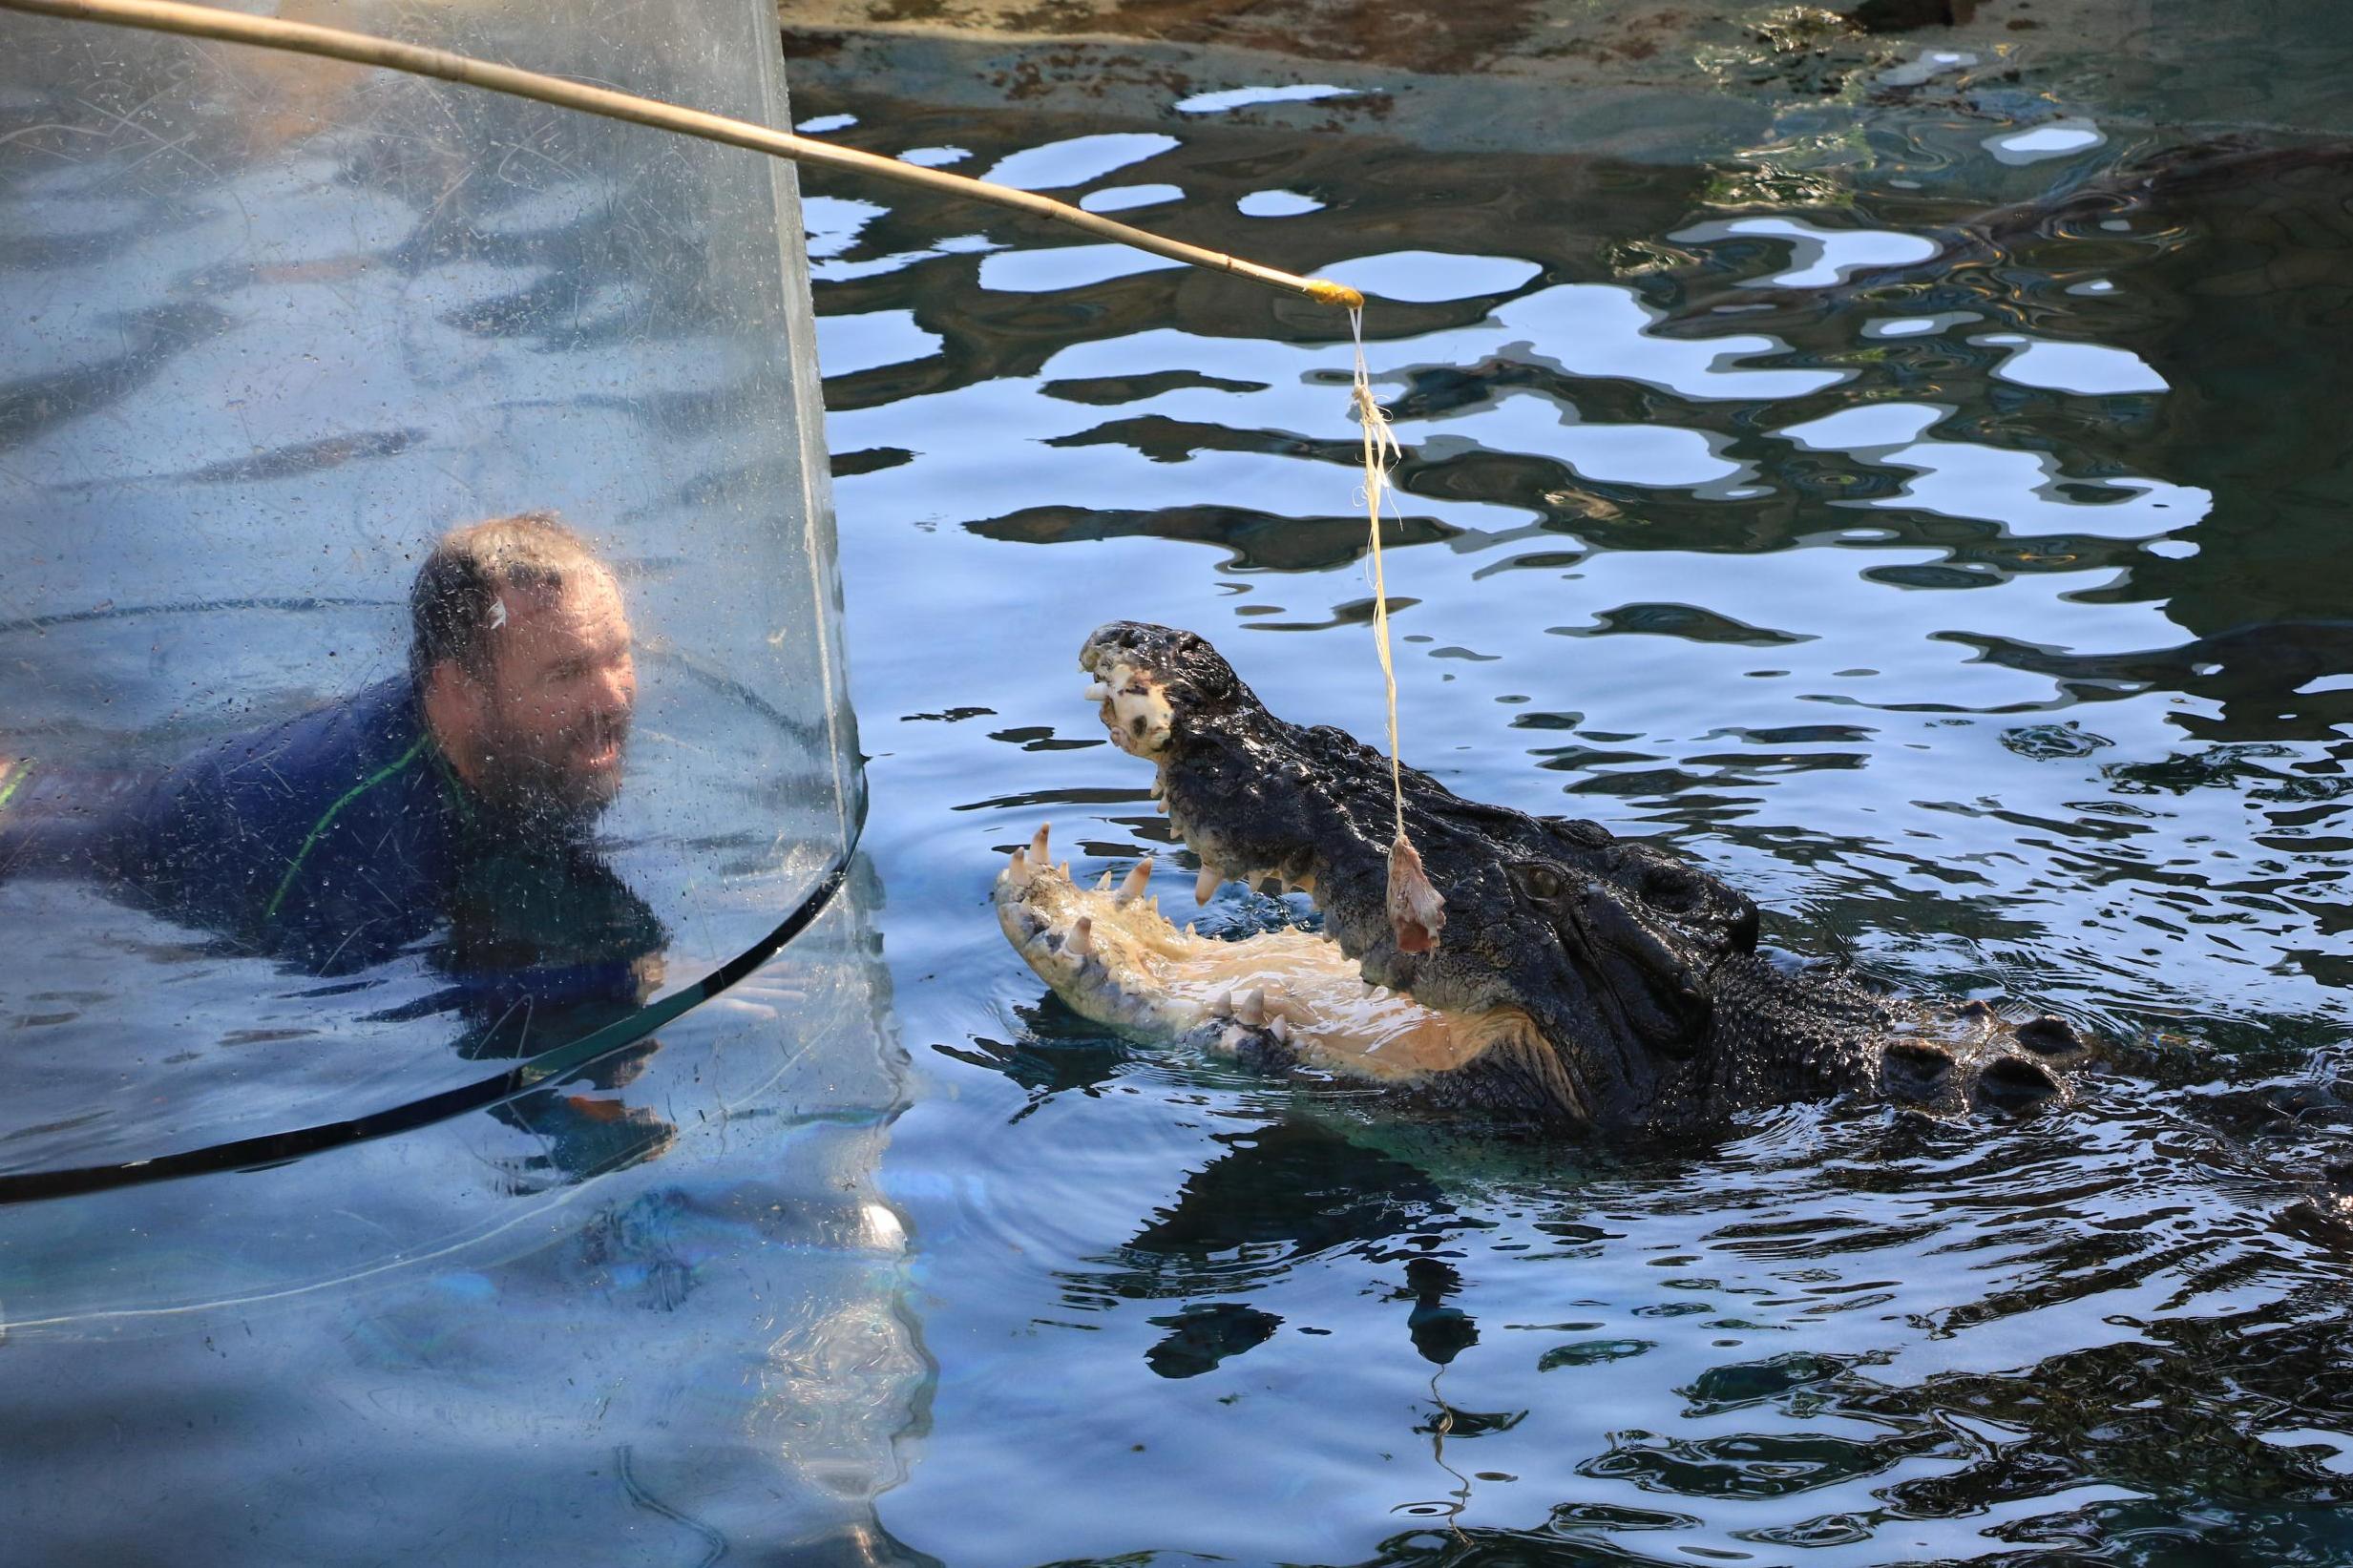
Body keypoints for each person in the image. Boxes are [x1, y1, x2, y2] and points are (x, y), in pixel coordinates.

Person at [0, 511, 657, 978]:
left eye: (616, 656)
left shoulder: (498, 747)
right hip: (82, 869)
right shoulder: (368, 853)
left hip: (146, 799)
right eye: (565, 674)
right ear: (458, 689)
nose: (612, 700)